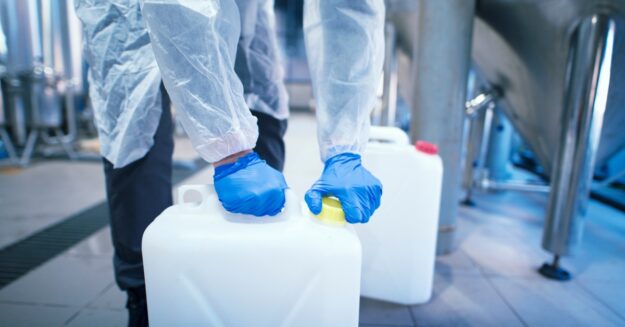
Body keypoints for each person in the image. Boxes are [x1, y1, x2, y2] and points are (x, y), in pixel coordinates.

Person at [76, 0, 384, 326]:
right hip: (126, 12)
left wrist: (344, 146)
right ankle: (147, 297)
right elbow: (178, 6)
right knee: (136, 125)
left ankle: (252, 272)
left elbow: (349, 11)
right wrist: (231, 154)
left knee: (259, 94)